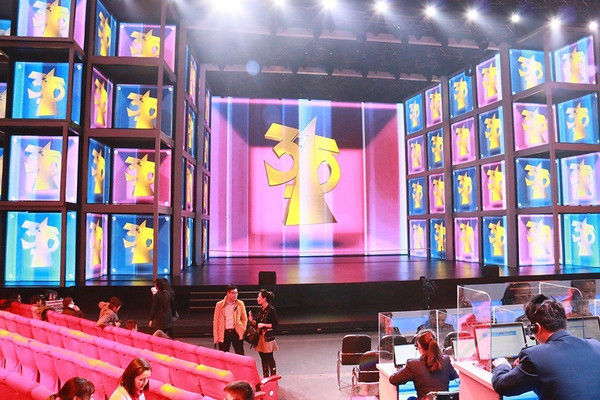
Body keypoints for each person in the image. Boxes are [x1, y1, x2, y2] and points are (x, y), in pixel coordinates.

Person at [492, 294, 600, 399]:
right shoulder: (596, 346)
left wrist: (502, 365)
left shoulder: (535, 356)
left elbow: (502, 386)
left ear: (536, 327)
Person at [389, 329, 458, 400]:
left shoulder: (413, 364)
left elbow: (393, 380)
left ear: (419, 346)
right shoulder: (446, 360)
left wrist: (404, 370)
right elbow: (454, 376)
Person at [248, 289, 279, 377]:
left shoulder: (271, 310)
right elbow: (257, 323)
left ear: (264, 299)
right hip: (260, 337)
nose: (257, 298)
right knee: (262, 357)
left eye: (259, 297)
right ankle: (265, 375)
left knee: (269, 357)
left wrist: (264, 325)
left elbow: (275, 325)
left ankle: (273, 376)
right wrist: (252, 320)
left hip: (267, 338)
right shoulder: (259, 309)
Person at [213, 284, 247, 355]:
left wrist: (242, 329)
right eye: (232, 293)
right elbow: (216, 321)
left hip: (236, 332)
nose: (235, 295)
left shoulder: (240, 304)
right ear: (228, 293)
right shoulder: (219, 304)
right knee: (223, 355)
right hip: (224, 332)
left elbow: (244, 318)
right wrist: (216, 336)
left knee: (240, 354)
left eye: (236, 293)